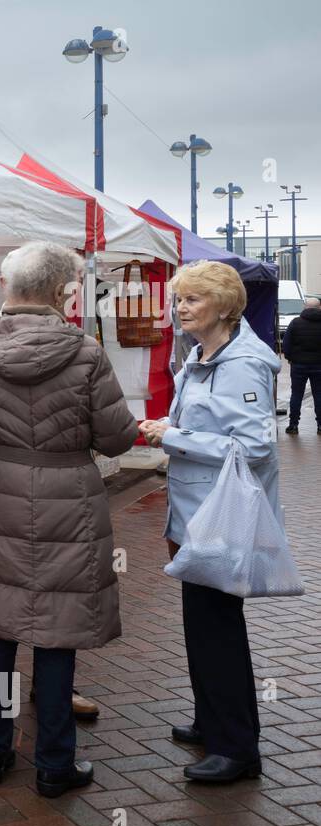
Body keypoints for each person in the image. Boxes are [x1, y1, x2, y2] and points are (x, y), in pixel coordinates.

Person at [0, 241, 138, 797]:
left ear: (10, 287)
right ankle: (56, 764)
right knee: (58, 632)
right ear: (62, 292)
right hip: (69, 498)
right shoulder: (85, 351)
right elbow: (117, 436)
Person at [0, 251, 101, 726]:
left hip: (35, 483)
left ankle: (46, 694)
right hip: (14, 481)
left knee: (30, 591)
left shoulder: (76, 342)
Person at [138, 261, 281, 783]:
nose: (181, 308)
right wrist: (171, 427)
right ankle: (212, 720)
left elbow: (255, 445)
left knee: (216, 626)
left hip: (220, 517)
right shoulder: (202, 355)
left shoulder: (241, 363)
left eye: (193, 300)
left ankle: (237, 748)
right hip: (196, 513)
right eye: (179, 300)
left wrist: (172, 437)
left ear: (224, 306)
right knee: (203, 623)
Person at [282, 297, 321, 435]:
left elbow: (286, 344)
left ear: (305, 307)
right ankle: (320, 426)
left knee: (296, 395)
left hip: (298, 365)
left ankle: (293, 425)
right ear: (319, 307)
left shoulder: (295, 323)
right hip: (319, 366)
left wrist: (290, 358)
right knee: (319, 395)